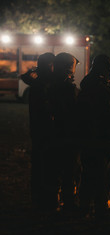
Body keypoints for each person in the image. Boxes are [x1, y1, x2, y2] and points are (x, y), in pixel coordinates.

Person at [77, 54, 110, 218]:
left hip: (86, 140)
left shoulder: (85, 87)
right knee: (103, 177)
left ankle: (84, 206)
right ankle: (101, 208)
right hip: (101, 142)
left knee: (87, 174)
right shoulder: (102, 91)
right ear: (107, 70)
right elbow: (108, 117)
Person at [21, 52, 56, 211]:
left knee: (38, 165)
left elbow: (24, 76)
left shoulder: (37, 82)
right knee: (47, 166)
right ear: (49, 65)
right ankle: (46, 199)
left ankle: (38, 198)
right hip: (46, 132)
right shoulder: (45, 84)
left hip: (37, 131)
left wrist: (35, 70)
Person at [48, 52, 81, 214]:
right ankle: (68, 204)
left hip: (53, 137)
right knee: (69, 172)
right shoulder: (70, 90)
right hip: (68, 138)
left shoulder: (49, 87)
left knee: (54, 171)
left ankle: (52, 202)